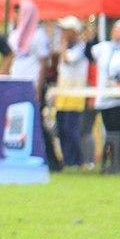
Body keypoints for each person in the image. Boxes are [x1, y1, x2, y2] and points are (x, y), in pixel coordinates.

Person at [53, 16, 90, 168]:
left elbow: (67, 59)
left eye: (65, 31)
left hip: (75, 95)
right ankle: (67, 160)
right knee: (61, 128)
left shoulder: (81, 48)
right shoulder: (67, 48)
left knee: (71, 128)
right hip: (62, 94)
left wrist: (62, 45)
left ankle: (77, 160)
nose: (63, 34)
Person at [9, 0, 50, 102]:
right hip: (15, 82)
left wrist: (38, 89)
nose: (18, 16)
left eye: (21, 12)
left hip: (32, 83)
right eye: (16, 13)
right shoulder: (13, 36)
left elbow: (43, 63)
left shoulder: (39, 35)